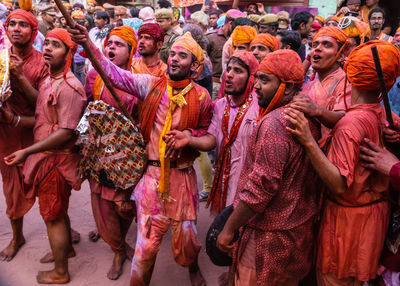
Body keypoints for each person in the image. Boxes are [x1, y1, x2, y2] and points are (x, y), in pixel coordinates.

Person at [68, 24, 212, 286]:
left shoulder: (202, 98)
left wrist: (190, 138)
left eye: (183, 55)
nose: (174, 58)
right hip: (152, 179)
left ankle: (192, 267)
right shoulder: (151, 85)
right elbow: (114, 75)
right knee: (145, 248)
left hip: (182, 178)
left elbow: (209, 138)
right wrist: (89, 48)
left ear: (195, 67)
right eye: (173, 54)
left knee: (187, 240)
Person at [285, 40, 400, 286]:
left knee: (334, 279)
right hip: (372, 217)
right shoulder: (381, 113)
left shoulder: (350, 124)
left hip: (347, 223)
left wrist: (308, 141)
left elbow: (338, 184)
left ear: (349, 74)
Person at [217, 49, 319, 286]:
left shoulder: (275, 124)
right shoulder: (307, 114)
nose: (256, 86)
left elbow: (260, 190)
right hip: (297, 233)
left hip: (269, 236)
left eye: (265, 80)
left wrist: (229, 229)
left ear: (289, 86)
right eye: (258, 78)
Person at [4, 28, 86, 284]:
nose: (48, 48)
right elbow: (42, 119)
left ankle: (61, 272)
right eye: (47, 43)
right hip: (47, 157)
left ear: (69, 52)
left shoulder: (71, 86)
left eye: (56, 45)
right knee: (57, 211)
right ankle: (67, 250)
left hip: (57, 160)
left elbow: (65, 131)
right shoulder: (50, 80)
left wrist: (27, 151)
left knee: (52, 217)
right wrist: (14, 119)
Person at [167, 50, 260, 214]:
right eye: (229, 69)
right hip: (224, 180)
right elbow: (211, 139)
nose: (229, 75)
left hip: (250, 183)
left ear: (251, 77)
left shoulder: (259, 109)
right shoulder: (220, 105)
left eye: (238, 71)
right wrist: (188, 140)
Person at [85, 26, 138, 280]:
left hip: (127, 156)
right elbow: (87, 109)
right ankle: (118, 249)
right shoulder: (94, 75)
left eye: (119, 45)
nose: (112, 48)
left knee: (124, 206)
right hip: (99, 151)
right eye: (109, 43)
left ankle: (117, 237)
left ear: (131, 52)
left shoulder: (139, 80)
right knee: (103, 205)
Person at [0, 9, 48, 262]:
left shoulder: (44, 62)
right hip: (6, 134)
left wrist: (18, 75)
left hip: (36, 132)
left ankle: (59, 228)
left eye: (23, 25)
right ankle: (17, 236)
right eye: (12, 24)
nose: (16, 28)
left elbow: (44, 106)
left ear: (34, 31)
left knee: (49, 184)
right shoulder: (0, 58)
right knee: (11, 188)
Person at [293, 26, 351, 138]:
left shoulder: (346, 83)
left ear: (341, 56)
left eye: (327, 45)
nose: (317, 49)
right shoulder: (310, 83)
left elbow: (344, 119)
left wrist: (317, 110)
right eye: (315, 45)